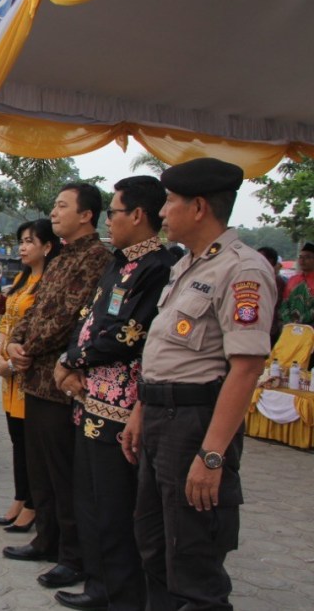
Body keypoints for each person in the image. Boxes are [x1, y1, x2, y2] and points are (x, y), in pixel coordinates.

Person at [122, 158, 275, 611]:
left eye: (170, 201)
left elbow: (246, 369)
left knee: (193, 555)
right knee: (154, 544)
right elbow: (166, 354)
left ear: (199, 207)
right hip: (160, 417)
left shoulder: (242, 270)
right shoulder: (186, 265)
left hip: (194, 424)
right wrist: (141, 410)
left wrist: (211, 456)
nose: (162, 211)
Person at [52, 176, 174, 611]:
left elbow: (128, 334)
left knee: (115, 505)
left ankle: (122, 593)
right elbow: (88, 318)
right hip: (90, 398)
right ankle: (99, 582)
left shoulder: (157, 267)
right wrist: (70, 360)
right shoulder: (119, 262)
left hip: (122, 407)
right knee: (89, 499)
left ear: (137, 215)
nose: (109, 221)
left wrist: (72, 360)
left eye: (113, 212)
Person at [3, 183, 111, 591]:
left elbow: (69, 316)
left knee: (64, 474)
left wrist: (27, 348)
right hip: (34, 378)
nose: (54, 212)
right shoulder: (61, 257)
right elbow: (36, 309)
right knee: (40, 470)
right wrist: (17, 342)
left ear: (86, 215)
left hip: (60, 383)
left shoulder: (96, 259)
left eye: (62, 206)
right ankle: (46, 539)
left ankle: (72, 554)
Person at [0, 219, 61, 533]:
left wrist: (12, 363)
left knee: (31, 445)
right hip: (9, 375)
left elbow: (38, 330)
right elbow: (6, 321)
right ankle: (20, 498)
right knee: (17, 440)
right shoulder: (22, 278)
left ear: (47, 247)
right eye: (21, 241)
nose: (22, 247)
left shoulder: (48, 282)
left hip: (28, 374)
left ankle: (33, 504)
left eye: (30, 241)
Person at [257, 246, 286, 348]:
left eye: (260, 257)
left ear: (270, 261)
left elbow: (275, 303)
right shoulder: (255, 276)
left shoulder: (275, 280)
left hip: (270, 327)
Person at [280, 242, 314, 327]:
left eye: (307, 257)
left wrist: (300, 320)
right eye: (300, 257)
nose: (302, 260)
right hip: (290, 328)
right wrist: (288, 321)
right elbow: (284, 303)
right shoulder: (293, 279)